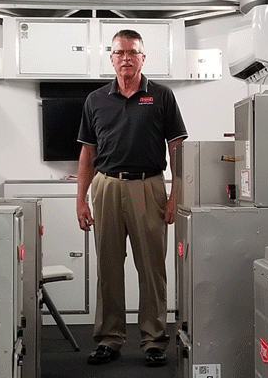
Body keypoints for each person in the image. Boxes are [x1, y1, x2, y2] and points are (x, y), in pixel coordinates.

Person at [76, 29, 187, 367]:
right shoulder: (96, 100)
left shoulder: (162, 96)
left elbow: (177, 150)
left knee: (152, 268)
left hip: (149, 186)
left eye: (132, 52)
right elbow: (87, 153)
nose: (126, 57)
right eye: (119, 52)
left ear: (143, 57)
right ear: (110, 58)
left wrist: (174, 196)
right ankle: (109, 339)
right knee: (108, 268)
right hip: (106, 186)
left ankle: (153, 340)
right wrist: (81, 199)